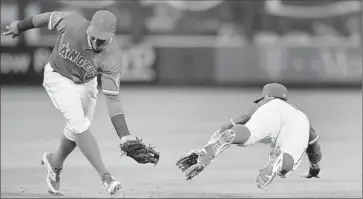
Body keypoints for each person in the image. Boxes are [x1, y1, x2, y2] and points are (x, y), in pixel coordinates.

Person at [3, 10, 160, 196]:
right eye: (93, 36)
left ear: (111, 37)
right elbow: (45, 18)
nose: (95, 42)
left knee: (76, 129)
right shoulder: (72, 23)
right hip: (58, 77)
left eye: (101, 39)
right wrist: (21, 26)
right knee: (79, 125)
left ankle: (54, 163)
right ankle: (106, 177)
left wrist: (124, 135)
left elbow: (112, 98)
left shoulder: (112, 59)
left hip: (87, 83)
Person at [176, 83, 322, 188]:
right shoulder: (297, 112)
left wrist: (205, 148)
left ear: (265, 96)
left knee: (248, 132)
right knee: (287, 161)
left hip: (270, 112)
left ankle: (234, 136)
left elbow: (227, 126)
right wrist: (314, 167)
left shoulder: (266, 103)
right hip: (299, 121)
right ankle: (280, 161)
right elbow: (313, 142)